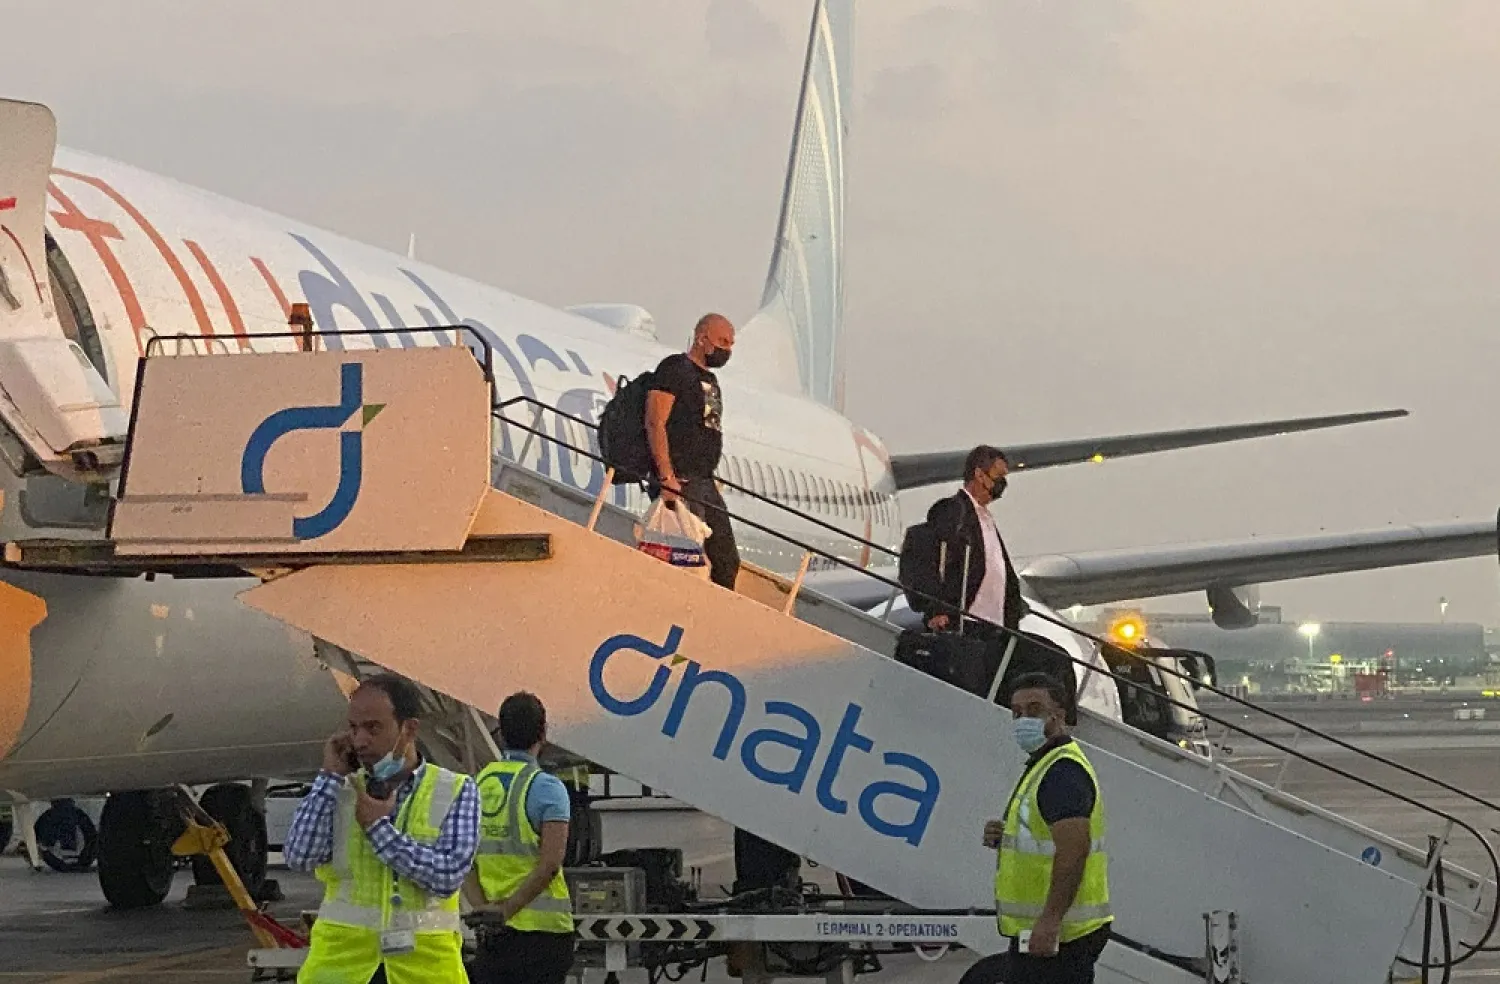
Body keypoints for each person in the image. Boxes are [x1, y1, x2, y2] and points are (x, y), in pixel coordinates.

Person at [284, 673, 480, 984]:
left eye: (373, 728)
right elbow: (300, 856)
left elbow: (446, 877)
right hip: (342, 971)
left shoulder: (455, 789)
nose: (360, 741)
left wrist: (378, 829)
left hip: (423, 972)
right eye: (353, 728)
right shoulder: (343, 788)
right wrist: (329, 777)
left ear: (409, 728)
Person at [967, 672, 1112, 984]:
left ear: (1058, 715)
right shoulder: (1047, 765)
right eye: (1016, 712)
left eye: (1034, 710)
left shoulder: (1062, 772)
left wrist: (1050, 921)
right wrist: (1006, 834)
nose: (1023, 720)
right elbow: (1044, 835)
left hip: (1062, 935)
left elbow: (1073, 850)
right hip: (1049, 932)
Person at [465, 692, 576, 984]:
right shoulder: (547, 789)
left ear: (500, 733)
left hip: (494, 936)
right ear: (543, 732)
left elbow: (464, 858)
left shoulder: (477, 785)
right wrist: (507, 910)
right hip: (543, 936)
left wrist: (482, 910)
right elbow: (550, 864)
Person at [645, 312, 740, 590]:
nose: (727, 349)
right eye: (723, 341)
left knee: (726, 560)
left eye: (731, 344)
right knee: (689, 557)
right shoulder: (675, 370)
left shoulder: (710, 380)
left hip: (704, 480)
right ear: (702, 338)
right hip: (681, 479)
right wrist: (666, 477)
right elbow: (655, 421)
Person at [921, 445, 1025, 634]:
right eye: (999, 476)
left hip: (994, 624)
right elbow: (932, 560)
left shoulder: (985, 516)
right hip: (966, 622)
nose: (1003, 483)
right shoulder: (952, 510)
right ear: (979, 474)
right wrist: (937, 610)